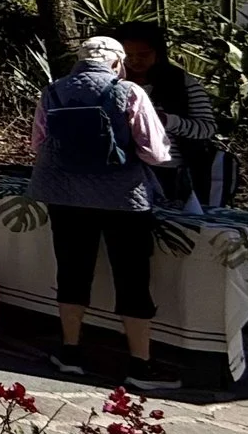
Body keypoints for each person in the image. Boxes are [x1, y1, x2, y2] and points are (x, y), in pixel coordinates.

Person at [28, 36, 181, 390]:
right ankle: (140, 365)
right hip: (122, 199)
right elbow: (155, 153)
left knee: (72, 270)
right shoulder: (129, 92)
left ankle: (70, 353)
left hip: (64, 197)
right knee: (131, 276)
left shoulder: (53, 91)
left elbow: (38, 144)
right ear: (117, 62)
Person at [116, 21, 221, 209]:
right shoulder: (114, 85)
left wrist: (166, 121)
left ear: (158, 52)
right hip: (125, 173)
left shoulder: (181, 83)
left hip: (170, 175)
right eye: (128, 56)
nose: (135, 61)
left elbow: (207, 128)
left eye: (143, 55)